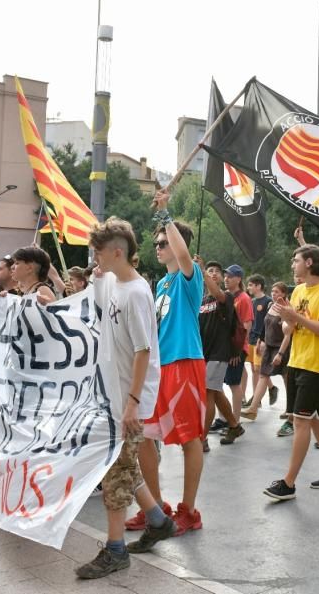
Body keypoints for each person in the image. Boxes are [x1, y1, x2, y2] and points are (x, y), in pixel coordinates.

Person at [75, 218, 171, 578]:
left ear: (118, 252)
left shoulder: (137, 293)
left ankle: (115, 550)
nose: (94, 257)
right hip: (113, 393)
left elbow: (144, 351)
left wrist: (132, 402)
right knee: (124, 465)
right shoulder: (114, 280)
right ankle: (158, 520)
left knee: (115, 471)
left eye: (98, 252)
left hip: (131, 397)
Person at [127, 189, 207, 537]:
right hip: (161, 368)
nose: (158, 248)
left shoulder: (190, 277)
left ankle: (189, 511)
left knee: (190, 438)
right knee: (144, 435)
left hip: (185, 362)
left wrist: (165, 215)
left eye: (163, 243)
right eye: (158, 244)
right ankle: (155, 509)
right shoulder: (160, 283)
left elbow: (184, 254)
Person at [264, 244, 319, 501]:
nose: (293, 265)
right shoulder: (299, 290)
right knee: (316, 420)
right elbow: (291, 328)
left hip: (318, 365)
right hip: (298, 362)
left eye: (296, 260)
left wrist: (295, 317)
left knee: (301, 422)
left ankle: (288, 483)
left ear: (309, 262)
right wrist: (286, 319)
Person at [199, 260, 244, 448]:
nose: (215, 273)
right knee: (216, 393)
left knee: (209, 393)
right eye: (211, 270)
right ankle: (234, 425)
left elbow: (217, 293)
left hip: (219, 353)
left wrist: (201, 270)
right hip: (204, 354)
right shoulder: (201, 301)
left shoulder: (225, 296)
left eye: (218, 272)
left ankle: (202, 439)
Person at [243, 282, 291, 419]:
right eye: (273, 291)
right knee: (263, 375)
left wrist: (281, 354)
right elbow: (266, 326)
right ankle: (253, 409)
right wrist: (260, 340)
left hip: (280, 347)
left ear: (284, 294)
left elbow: (288, 334)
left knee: (286, 377)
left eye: (277, 292)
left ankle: (290, 409)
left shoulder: (286, 309)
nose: (274, 294)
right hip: (268, 346)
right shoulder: (271, 305)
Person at [222, 265, 252, 414]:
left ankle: (235, 420)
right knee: (216, 385)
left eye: (230, 276)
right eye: (225, 275)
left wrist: (236, 351)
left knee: (234, 384)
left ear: (239, 279)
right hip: (223, 348)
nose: (226, 278)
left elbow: (247, 326)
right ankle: (222, 418)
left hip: (236, 349)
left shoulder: (244, 298)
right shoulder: (225, 295)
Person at [246, 274, 275, 406]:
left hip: (261, 340)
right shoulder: (251, 302)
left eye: (251, 285)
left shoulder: (268, 301)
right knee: (254, 369)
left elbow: (267, 323)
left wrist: (262, 339)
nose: (249, 287)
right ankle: (257, 397)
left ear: (258, 286)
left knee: (259, 369)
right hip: (251, 339)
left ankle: (271, 389)